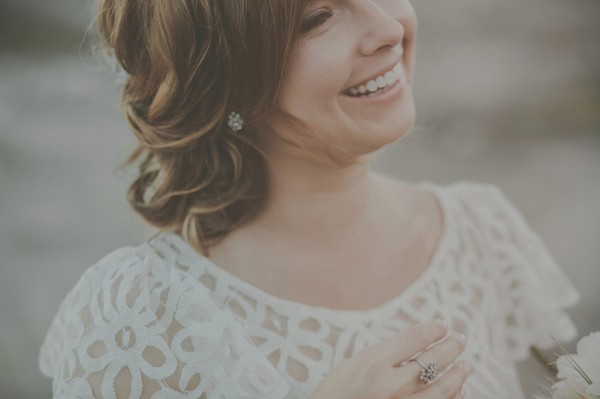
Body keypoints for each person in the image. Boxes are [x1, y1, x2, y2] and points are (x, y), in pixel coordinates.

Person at [38, 1, 580, 398]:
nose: (389, 29)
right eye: (318, 17)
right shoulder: (137, 319)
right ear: (226, 82)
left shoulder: (482, 229)